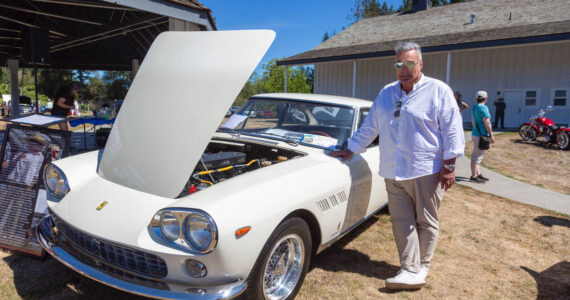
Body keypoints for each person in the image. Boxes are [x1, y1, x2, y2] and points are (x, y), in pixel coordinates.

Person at [328, 41, 465, 290]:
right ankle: (410, 269)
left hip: (427, 169)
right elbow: (371, 126)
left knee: (426, 220)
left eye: (410, 63)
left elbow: (452, 129)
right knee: (401, 221)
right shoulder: (387, 93)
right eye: (399, 64)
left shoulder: (438, 90)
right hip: (393, 170)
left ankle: (421, 266)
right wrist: (351, 148)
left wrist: (449, 165)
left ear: (420, 64)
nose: (404, 69)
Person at [470, 91, 495, 183]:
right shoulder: (484, 108)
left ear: (477, 99)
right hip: (483, 135)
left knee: (479, 155)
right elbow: (487, 122)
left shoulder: (474, 108)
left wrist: (475, 131)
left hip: (476, 133)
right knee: (476, 156)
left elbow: (473, 121)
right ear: (485, 99)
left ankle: (478, 173)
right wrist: (491, 135)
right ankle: (474, 176)